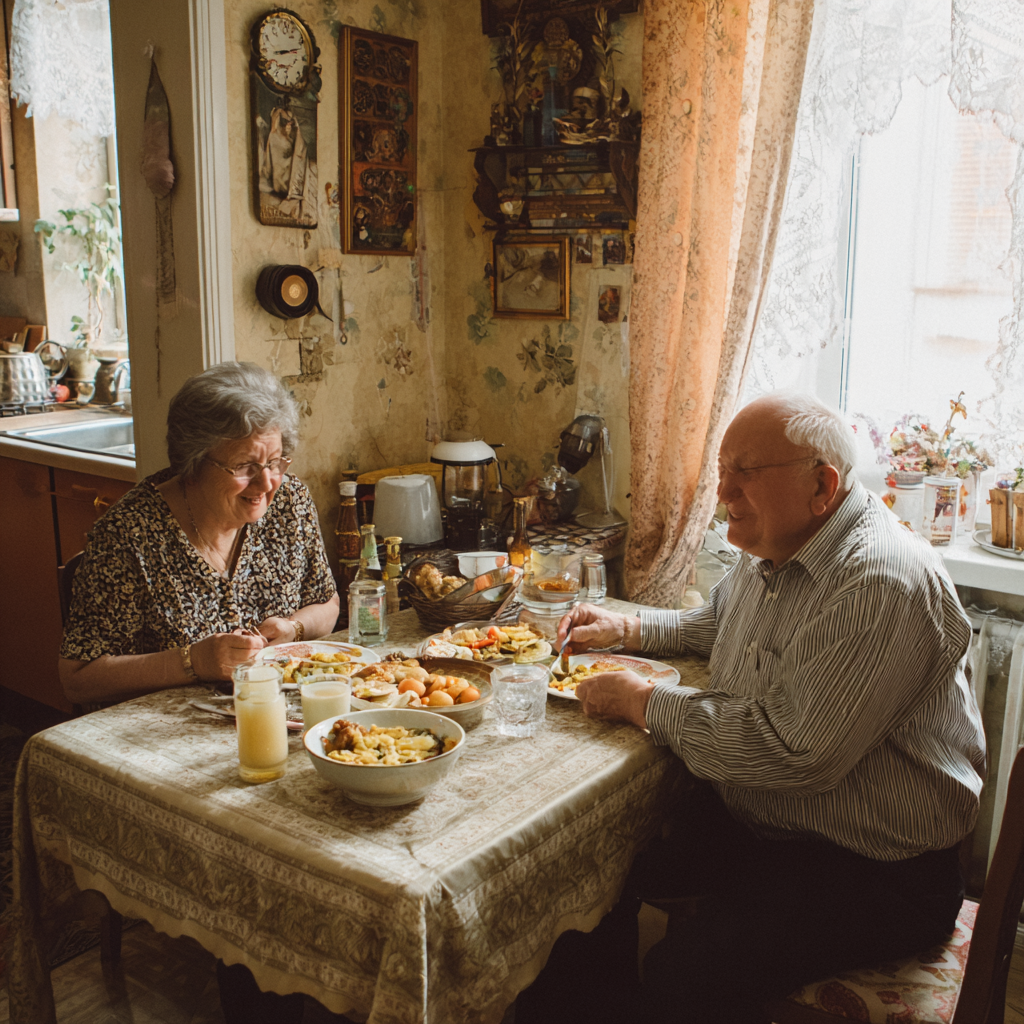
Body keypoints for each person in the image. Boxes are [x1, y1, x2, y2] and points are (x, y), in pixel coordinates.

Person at [518, 392, 986, 1024]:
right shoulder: (782, 541)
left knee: (685, 974)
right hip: (773, 830)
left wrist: (647, 703)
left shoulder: (876, 582)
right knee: (582, 881)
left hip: (875, 870)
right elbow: (721, 624)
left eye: (745, 473)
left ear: (821, 486)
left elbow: (794, 755)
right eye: (721, 470)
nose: (722, 493)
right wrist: (627, 628)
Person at [59, 361, 340, 704]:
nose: (266, 483)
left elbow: (328, 604)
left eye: (274, 462)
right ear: (193, 463)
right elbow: (77, 679)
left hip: (274, 711)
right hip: (164, 727)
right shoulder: (129, 534)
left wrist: (293, 627)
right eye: (244, 466)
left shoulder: (289, 501)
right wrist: (192, 662)